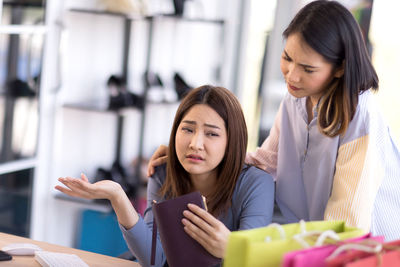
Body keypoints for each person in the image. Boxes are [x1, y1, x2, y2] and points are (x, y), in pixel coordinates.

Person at [147, 0, 400, 241]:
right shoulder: (295, 101)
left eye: (307, 69)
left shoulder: (362, 118)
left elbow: (348, 223)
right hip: (317, 241)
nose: (292, 75)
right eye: (287, 58)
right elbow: (265, 162)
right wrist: (190, 153)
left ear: (340, 68)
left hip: (367, 248)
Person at [55, 85, 275, 267]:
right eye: (187, 129)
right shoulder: (163, 172)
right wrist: (117, 196)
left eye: (211, 134)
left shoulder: (256, 183)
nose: (195, 144)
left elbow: (251, 261)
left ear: (231, 141)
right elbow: (155, 259)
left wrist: (232, 249)